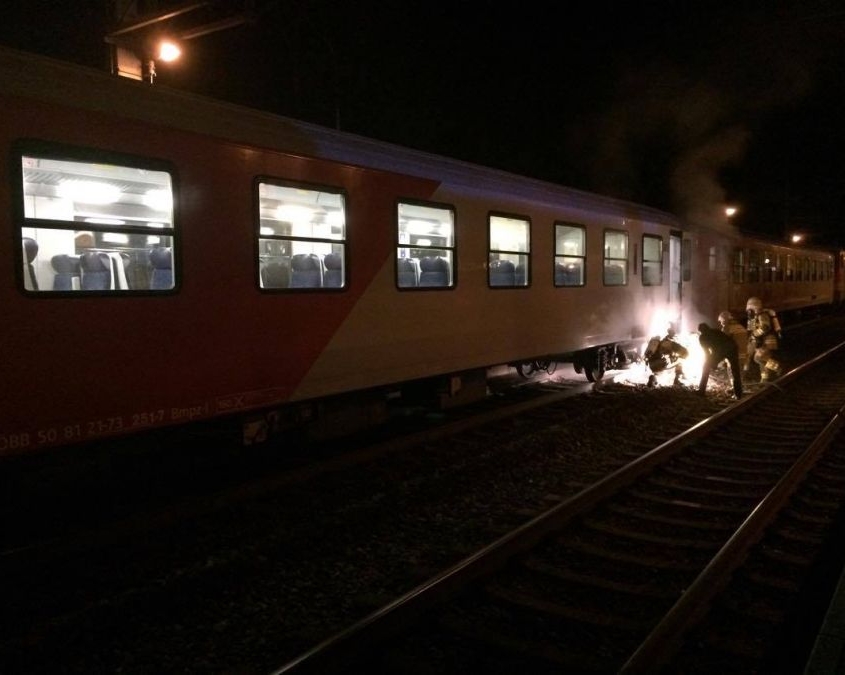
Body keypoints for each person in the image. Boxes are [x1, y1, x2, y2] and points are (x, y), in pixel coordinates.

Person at [698, 321, 743, 398]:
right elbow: (727, 339)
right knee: (735, 371)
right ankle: (738, 394)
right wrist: (714, 362)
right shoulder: (716, 331)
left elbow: (707, 353)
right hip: (732, 348)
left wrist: (711, 363)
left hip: (721, 350)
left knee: (706, 367)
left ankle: (701, 391)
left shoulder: (702, 337)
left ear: (700, 331)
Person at [745, 296, 782, 381]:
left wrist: (754, 335)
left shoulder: (762, 315)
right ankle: (764, 379)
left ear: (755, 307)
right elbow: (750, 329)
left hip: (767, 341)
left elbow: (765, 327)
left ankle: (777, 366)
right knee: (760, 359)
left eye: (750, 308)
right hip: (761, 341)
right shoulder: (753, 317)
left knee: (758, 358)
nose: (748, 310)